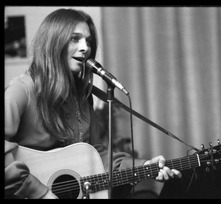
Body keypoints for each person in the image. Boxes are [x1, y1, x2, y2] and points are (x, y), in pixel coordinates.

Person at [4, 8, 181, 199]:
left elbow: (95, 154)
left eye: (88, 41)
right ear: (53, 42)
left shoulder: (81, 96)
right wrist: (41, 193)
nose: (85, 47)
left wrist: (144, 166)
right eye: (75, 38)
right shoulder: (22, 90)